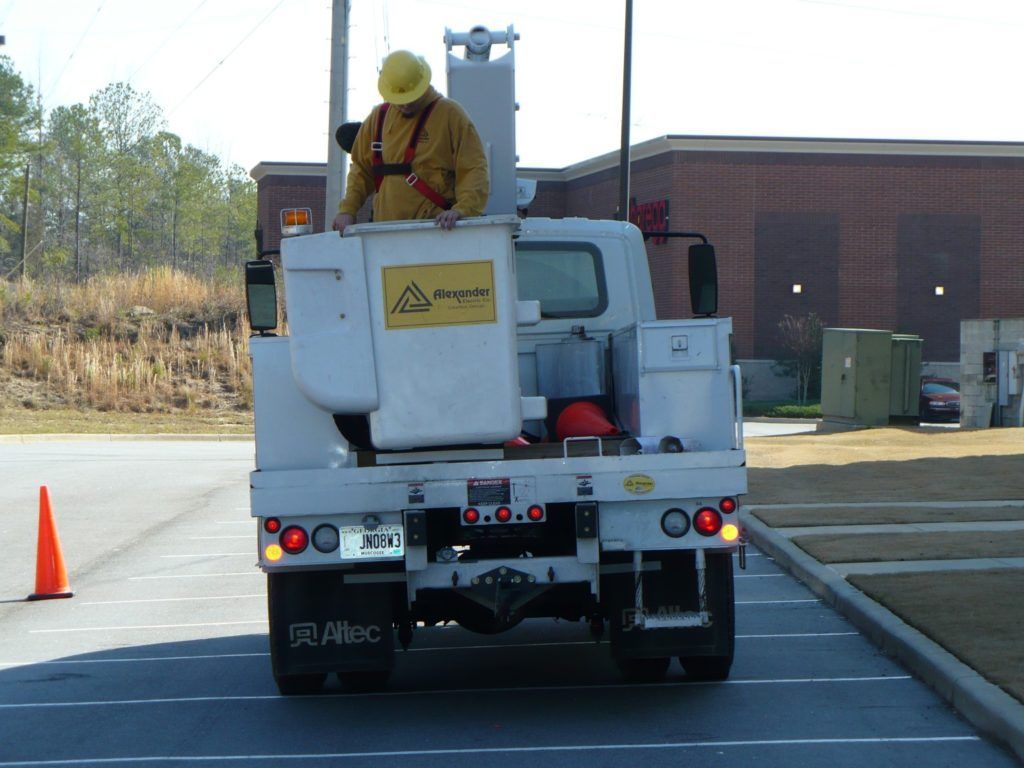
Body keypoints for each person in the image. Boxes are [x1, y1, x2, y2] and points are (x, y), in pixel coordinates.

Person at [332, 50, 489, 234]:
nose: (405, 104)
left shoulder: (449, 115)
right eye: (400, 100)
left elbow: (473, 167)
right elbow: (361, 170)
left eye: (411, 97)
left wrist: (462, 210)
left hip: (438, 231)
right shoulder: (378, 118)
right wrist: (347, 210)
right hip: (386, 234)